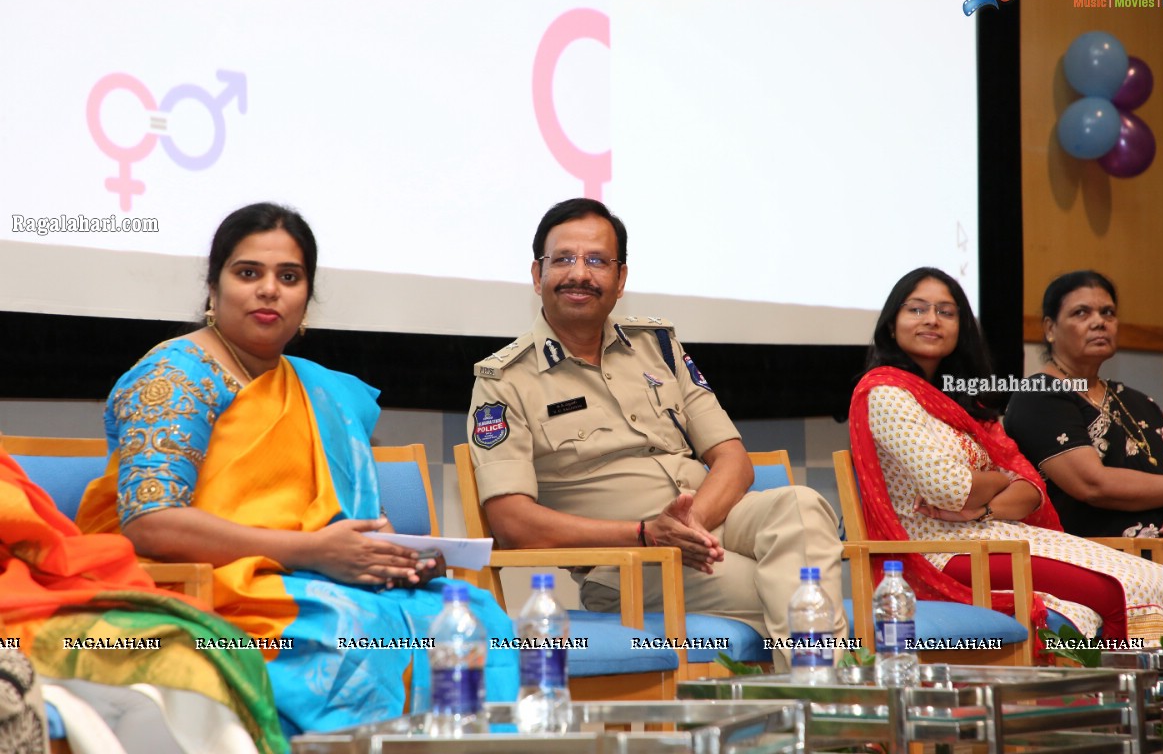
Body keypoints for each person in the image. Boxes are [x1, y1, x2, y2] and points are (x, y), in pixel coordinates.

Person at [75, 202, 517, 736]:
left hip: (314, 575)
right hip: (205, 585)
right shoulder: (174, 376)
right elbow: (151, 521)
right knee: (352, 629)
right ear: (213, 290)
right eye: (248, 273)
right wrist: (314, 552)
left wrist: (391, 558)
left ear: (306, 299)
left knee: (472, 615)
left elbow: (344, 517)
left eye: (289, 277)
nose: (269, 290)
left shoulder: (321, 391)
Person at [466, 198, 846, 670]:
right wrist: (646, 535)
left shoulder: (657, 347)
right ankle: (827, 719)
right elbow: (513, 524)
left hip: (704, 526)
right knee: (797, 592)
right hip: (627, 563)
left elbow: (732, 459)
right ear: (536, 274)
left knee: (801, 504)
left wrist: (688, 528)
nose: (579, 273)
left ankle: (820, 709)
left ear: (621, 279)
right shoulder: (504, 380)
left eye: (597, 261)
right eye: (562, 259)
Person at [849, 266, 1163, 642]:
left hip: (995, 536)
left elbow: (1030, 488)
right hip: (940, 553)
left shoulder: (966, 403)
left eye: (946, 311)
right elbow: (951, 490)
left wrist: (986, 501)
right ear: (892, 324)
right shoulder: (886, 394)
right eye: (917, 309)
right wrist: (998, 481)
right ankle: (1110, 695)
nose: (932, 320)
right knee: (1115, 592)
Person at [1, 439, 286, 754]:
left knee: (183, 646)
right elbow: (151, 523)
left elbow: (31, 528)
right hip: (15, 618)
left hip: (28, 590)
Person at [1005, 270, 1163, 572]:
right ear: (1050, 329)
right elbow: (1093, 484)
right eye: (1081, 312)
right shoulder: (1040, 395)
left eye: (1107, 312)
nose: (1099, 322)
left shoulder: (1134, 399)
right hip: (1112, 560)